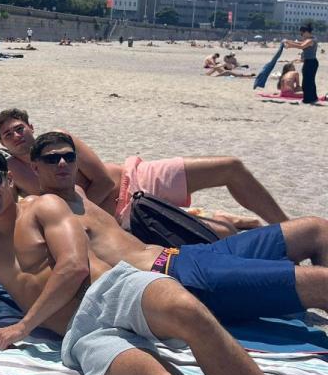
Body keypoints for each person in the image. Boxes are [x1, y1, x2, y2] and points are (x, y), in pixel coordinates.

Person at [0, 144, 287, 375]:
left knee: (190, 312)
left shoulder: (42, 207)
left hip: (113, 290)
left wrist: (23, 327)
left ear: (8, 178)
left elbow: (73, 266)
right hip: (79, 334)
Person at [27, 131, 328, 323]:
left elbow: (103, 178)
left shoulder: (79, 193)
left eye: (68, 157)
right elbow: (65, 266)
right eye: (52, 159)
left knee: (316, 229)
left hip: (193, 254)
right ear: (35, 167)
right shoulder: (44, 209)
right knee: (322, 282)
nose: (62, 164)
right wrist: (19, 321)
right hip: (177, 276)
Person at [0, 108, 287, 236]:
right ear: (2, 143)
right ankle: (227, 220)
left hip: (135, 179)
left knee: (230, 167)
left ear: (32, 127)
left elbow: (105, 180)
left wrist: (87, 210)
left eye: (19, 128)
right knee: (222, 234)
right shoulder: (12, 170)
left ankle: (287, 226)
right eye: (8, 135)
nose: (16, 135)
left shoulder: (60, 139)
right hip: (123, 216)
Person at [284, 24, 319, 104]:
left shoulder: (311, 40)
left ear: (306, 32)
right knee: (309, 81)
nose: (301, 35)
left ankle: (308, 99)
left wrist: (291, 45)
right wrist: (289, 42)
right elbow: (300, 43)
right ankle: (313, 98)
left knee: (307, 82)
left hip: (311, 62)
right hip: (309, 62)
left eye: (302, 33)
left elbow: (301, 46)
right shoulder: (309, 39)